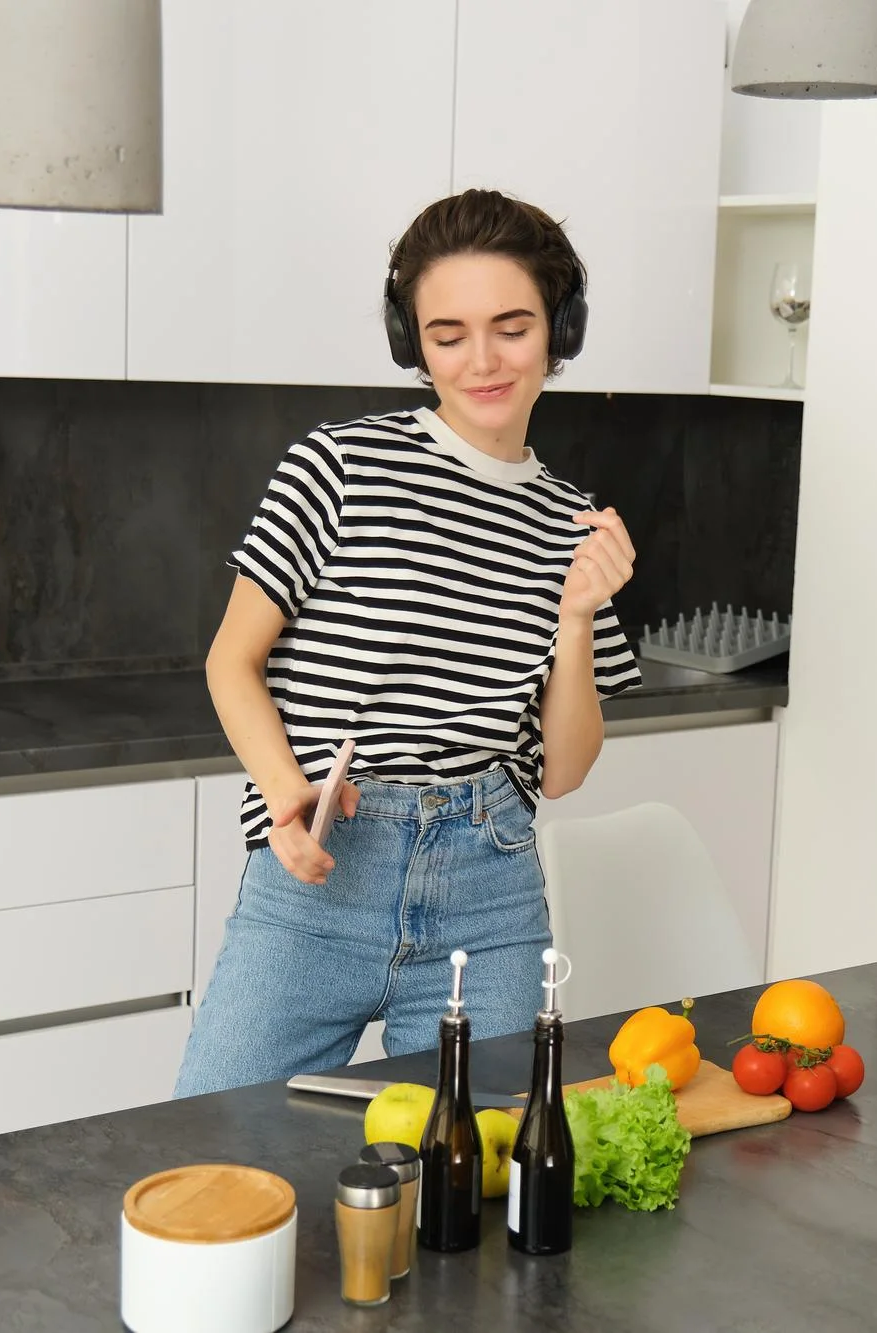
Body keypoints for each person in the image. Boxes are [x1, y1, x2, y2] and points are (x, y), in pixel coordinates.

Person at [174, 188, 641, 1096]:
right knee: (216, 1141)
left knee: (480, 1163)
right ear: (414, 344)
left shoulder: (573, 521)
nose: (482, 361)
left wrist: (579, 616)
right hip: (321, 879)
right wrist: (284, 793)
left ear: (560, 330)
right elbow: (232, 660)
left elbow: (564, 770)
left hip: (490, 894)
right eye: (448, 335)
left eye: (512, 327)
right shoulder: (337, 466)